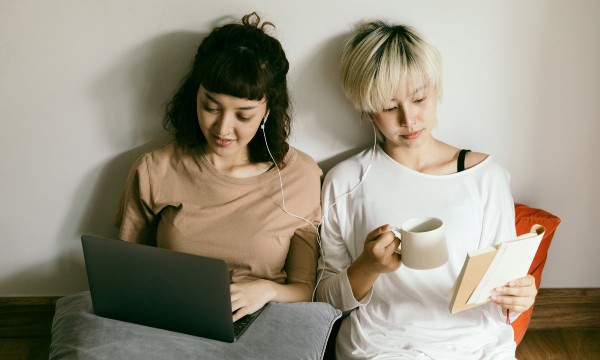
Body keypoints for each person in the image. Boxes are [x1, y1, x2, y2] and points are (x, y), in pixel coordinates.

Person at [316, 20, 537, 359]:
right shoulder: (345, 181)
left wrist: (518, 297)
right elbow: (325, 301)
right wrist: (368, 267)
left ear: (436, 90)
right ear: (367, 110)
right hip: (379, 346)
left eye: (420, 98)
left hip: (475, 346)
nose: (409, 119)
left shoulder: (485, 175)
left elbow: (501, 296)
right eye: (390, 107)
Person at [115, 12, 322, 322]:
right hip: (171, 319)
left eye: (243, 116)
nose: (223, 129)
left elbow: (304, 290)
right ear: (194, 96)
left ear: (268, 110)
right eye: (210, 107)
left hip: (264, 322)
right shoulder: (156, 169)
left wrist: (265, 291)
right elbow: (126, 272)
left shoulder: (300, 176)